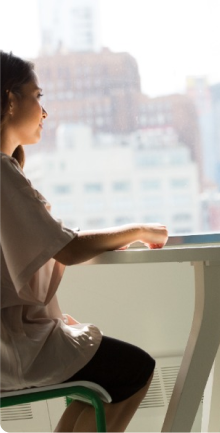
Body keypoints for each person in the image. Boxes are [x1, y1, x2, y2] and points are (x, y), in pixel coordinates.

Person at [0, 50, 169, 433]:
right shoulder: (1, 171)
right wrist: (138, 230)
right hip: (13, 347)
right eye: (38, 96)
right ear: (10, 99)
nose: (45, 111)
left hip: (15, 339)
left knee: (97, 381)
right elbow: (69, 248)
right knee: (134, 369)